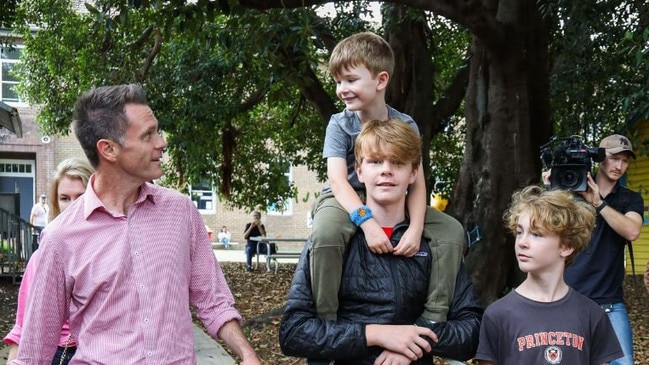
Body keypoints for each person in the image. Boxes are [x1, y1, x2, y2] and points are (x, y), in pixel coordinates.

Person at [10, 84, 261, 365]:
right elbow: (34, 352)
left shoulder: (181, 212)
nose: (162, 142)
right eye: (148, 135)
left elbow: (213, 302)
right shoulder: (60, 238)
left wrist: (247, 353)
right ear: (109, 149)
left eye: (158, 131)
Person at [280, 119, 482, 364]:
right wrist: (374, 334)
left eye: (397, 162)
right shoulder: (331, 240)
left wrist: (412, 341)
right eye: (375, 161)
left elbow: (471, 331)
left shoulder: (435, 243)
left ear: (413, 173)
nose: (386, 170)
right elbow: (294, 332)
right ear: (360, 170)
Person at [310, 31, 464, 334]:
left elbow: (418, 183)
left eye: (351, 80)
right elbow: (338, 181)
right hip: (345, 197)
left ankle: (434, 314)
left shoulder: (405, 125)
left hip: (395, 195)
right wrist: (366, 223)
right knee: (326, 233)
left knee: (451, 231)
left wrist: (417, 228)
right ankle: (324, 320)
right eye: (338, 82)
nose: (342, 89)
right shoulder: (339, 124)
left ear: (381, 80)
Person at [475, 185, 623, 364]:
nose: (522, 242)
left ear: (566, 246)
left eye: (536, 234)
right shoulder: (497, 315)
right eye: (520, 232)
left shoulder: (592, 315)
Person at [544, 134, 643, 365]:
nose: (619, 166)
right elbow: (545, 230)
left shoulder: (629, 199)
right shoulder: (568, 193)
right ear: (599, 157)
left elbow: (632, 231)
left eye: (625, 161)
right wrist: (549, 191)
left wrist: (599, 203)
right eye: (614, 158)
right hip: (569, 298)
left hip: (610, 302)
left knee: (624, 363)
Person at [4, 157, 93, 365]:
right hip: (53, 355)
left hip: (97, 355)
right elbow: (24, 322)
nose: (72, 206)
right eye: (64, 198)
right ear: (55, 202)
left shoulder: (113, 251)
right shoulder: (43, 256)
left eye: (81, 197)